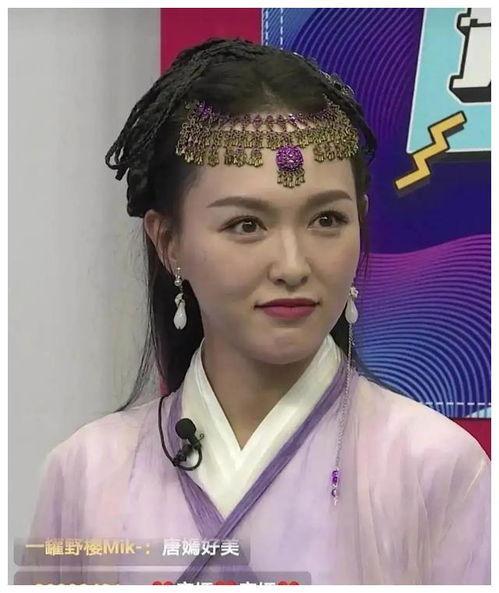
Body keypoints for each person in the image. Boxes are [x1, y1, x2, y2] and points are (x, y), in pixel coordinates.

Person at [22, 37, 490, 585]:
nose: (292, 265)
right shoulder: (86, 472)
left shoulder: (436, 468)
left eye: (327, 220)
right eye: (246, 224)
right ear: (168, 241)